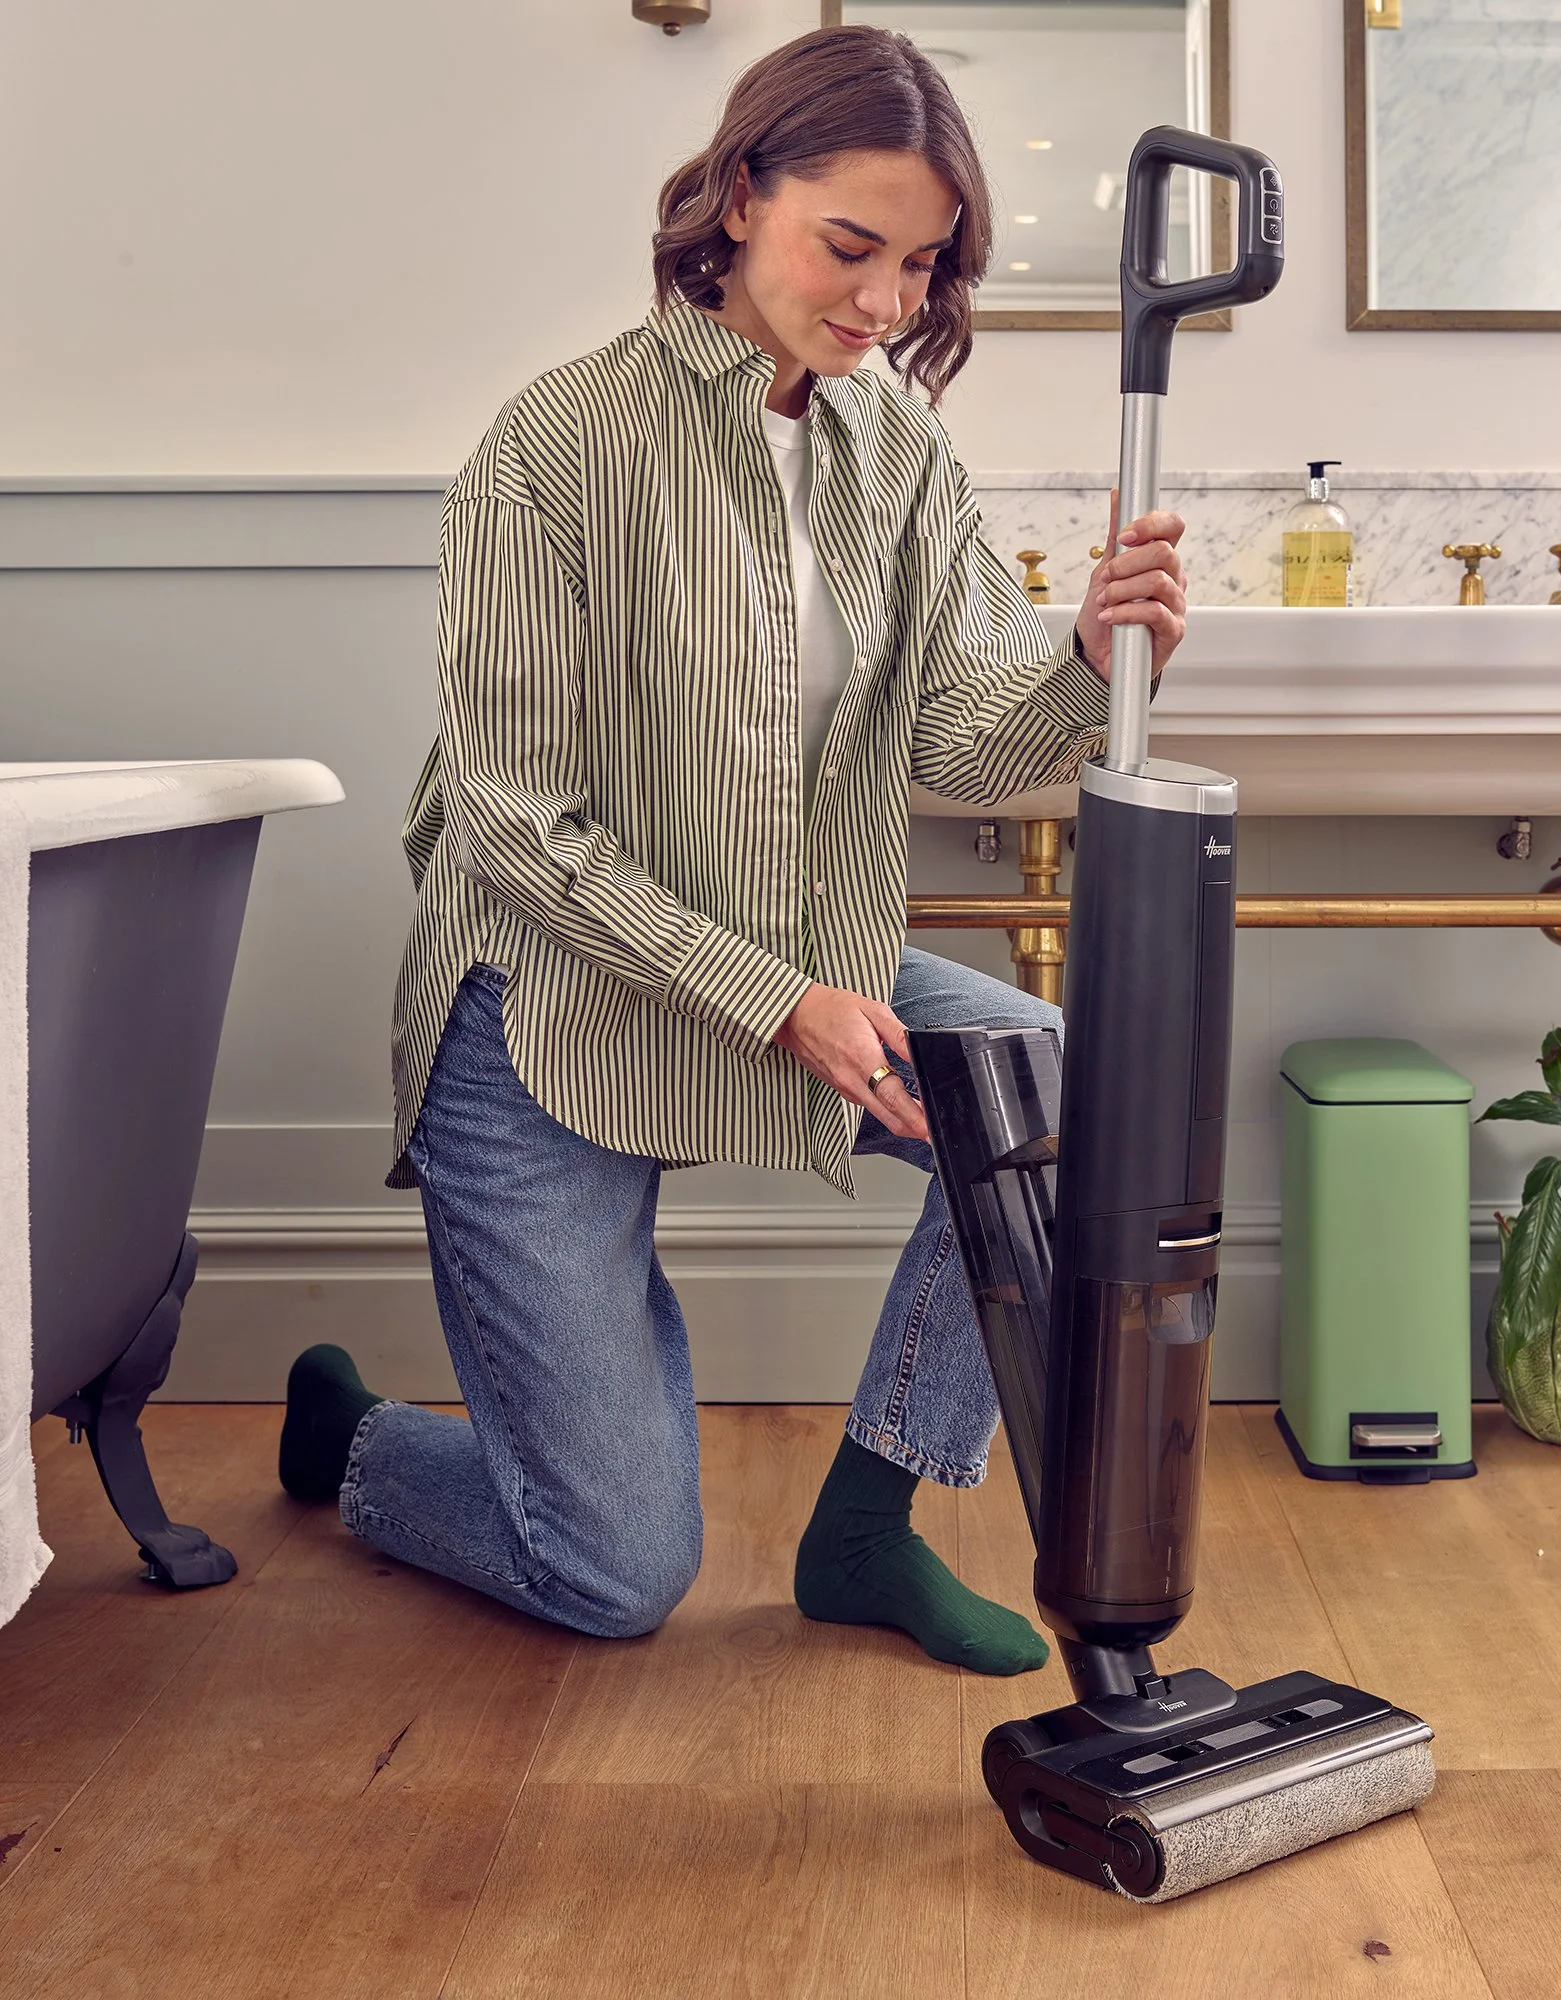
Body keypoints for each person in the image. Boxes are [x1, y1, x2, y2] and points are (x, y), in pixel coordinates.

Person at [276, 25, 1188, 1674]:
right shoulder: (554, 445)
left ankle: (867, 1526)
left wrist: (1086, 654)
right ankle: (354, 1437)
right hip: (544, 1017)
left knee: (1059, 1090)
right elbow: (510, 818)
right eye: (853, 245)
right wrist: (777, 1001)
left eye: (923, 263)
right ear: (742, 192)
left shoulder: (900, 453)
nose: (887, 300)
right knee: (613, 1575)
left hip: (800, 975)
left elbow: (958, 746)